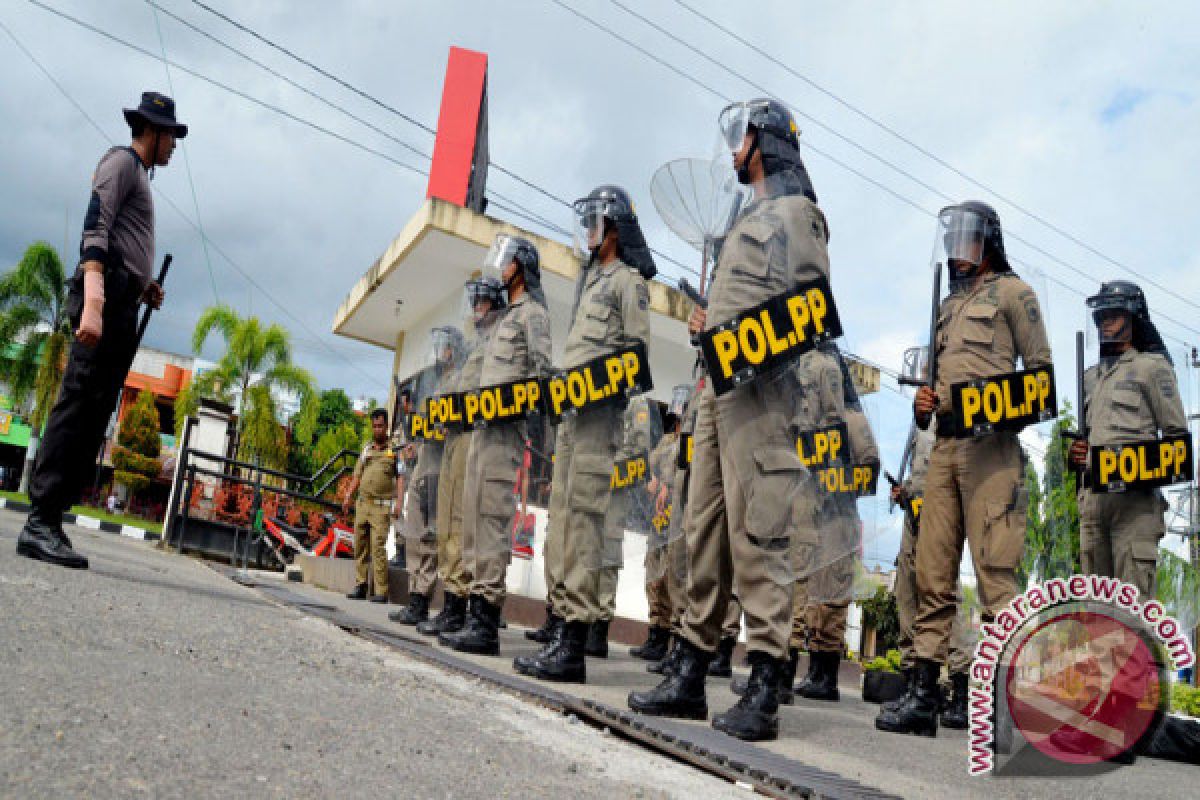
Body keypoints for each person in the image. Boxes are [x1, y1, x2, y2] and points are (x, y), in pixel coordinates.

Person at [630, 97, 831, 741]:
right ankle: (689, 671)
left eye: (742, 138)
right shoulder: (750, 217)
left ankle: (767, 681)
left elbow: (809, 311)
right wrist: (709, 324)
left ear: (766, 142)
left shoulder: (800, 214)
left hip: (763, 390)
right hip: (718, 388)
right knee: (703, 525)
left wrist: (737, 336)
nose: (734, 149)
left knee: (759, 528)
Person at [877, 200, 1052, 737]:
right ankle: (923, 697)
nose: (957, 250)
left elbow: (1041, 379)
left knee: (997, 578)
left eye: (965, 239)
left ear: (987, 241)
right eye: (950, 240)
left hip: (992, 450)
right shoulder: (948, 305)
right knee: (932, 576)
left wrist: (986, 405)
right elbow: (933, 381)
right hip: (945, 450)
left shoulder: (1015, 294)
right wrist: (922, 405)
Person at [16, 92, 179, 569]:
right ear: (152, 130)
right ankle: (38, 520)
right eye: (171, 136)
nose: (173, 146)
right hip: (103, 296)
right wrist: (94, 300)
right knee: (77, 400)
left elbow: (125, 242)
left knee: (95, 411)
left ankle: (53, 518)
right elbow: (97, 224)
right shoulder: (121, 163)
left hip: (123, 297)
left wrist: (143, 286)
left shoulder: (141, 178)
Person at [517, 185, 653, 684]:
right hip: (574, 418)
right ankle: (559, 628)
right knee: (567, 520)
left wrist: (594, 387)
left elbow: (634, 359)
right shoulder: (590, 281)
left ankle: (574, 642)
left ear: (613, 229)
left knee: (588, 523)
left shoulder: (627, 282)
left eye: (595, 221)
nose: (588, 230)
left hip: (599, 420)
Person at [440, 235, 552, 656]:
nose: (500, 268)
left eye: (506, 262)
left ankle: (486, 622)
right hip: (481, 432)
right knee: (470, 518)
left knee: (489, 520)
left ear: (520, 268)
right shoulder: (504, 319)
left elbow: (542, 379)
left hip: (505, 434)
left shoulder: (533, 316)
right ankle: (472, 614)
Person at [1069, 281, 1187, 597]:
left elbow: (1177, 441)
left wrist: (1126, 464)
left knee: (1132, 613)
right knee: (1097, 613)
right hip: (1094, 504)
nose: (1105, 322)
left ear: (1133, 318)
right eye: (1101, 316)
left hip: (1134, 506)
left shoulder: (1152, 368)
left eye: (1114, 314)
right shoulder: (1090, 376)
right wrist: (1076, 455)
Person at [419, 278, 505, 636]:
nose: (476, 308)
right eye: (474, 302)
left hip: (473, 433)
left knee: (461, 519)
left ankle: (460, 604)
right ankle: (451, 603)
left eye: (482, 302)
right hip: (454, 433)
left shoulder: (498, 340)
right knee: (448, 520)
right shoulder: (476, 345)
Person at [885, 422, 973, 729]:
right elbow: (921, 470)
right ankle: (916, 688)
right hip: (914, 509)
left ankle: (961, 690)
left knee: (943, 594)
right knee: (907, 594)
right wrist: (904, 490)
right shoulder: (920, 413)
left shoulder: (951, 409)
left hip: (940, 510)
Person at [390, 328, 463, 624]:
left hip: (439, 466)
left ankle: (422, 597)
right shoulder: (432, 383)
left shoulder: (458, 381)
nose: (439, 351)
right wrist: (413, 444)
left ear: (453, 350)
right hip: (422, 463)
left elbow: (454, 424)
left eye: (444, 347)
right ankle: (413, 596)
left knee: (431, 537)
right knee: (414, 534)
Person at [343, 409, 401, 603]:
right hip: (363, 504)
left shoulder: (394, 450)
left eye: (381, 426)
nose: (377, 429)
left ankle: (381, 591)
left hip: (381, 507)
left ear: (386, 427)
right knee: (360, 546)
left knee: (378, 547)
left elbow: (400, 477)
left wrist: (399, 503)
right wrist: (348, 495)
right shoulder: (367, 449)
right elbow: (357, 475)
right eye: (374, 426)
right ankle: (361, 585)